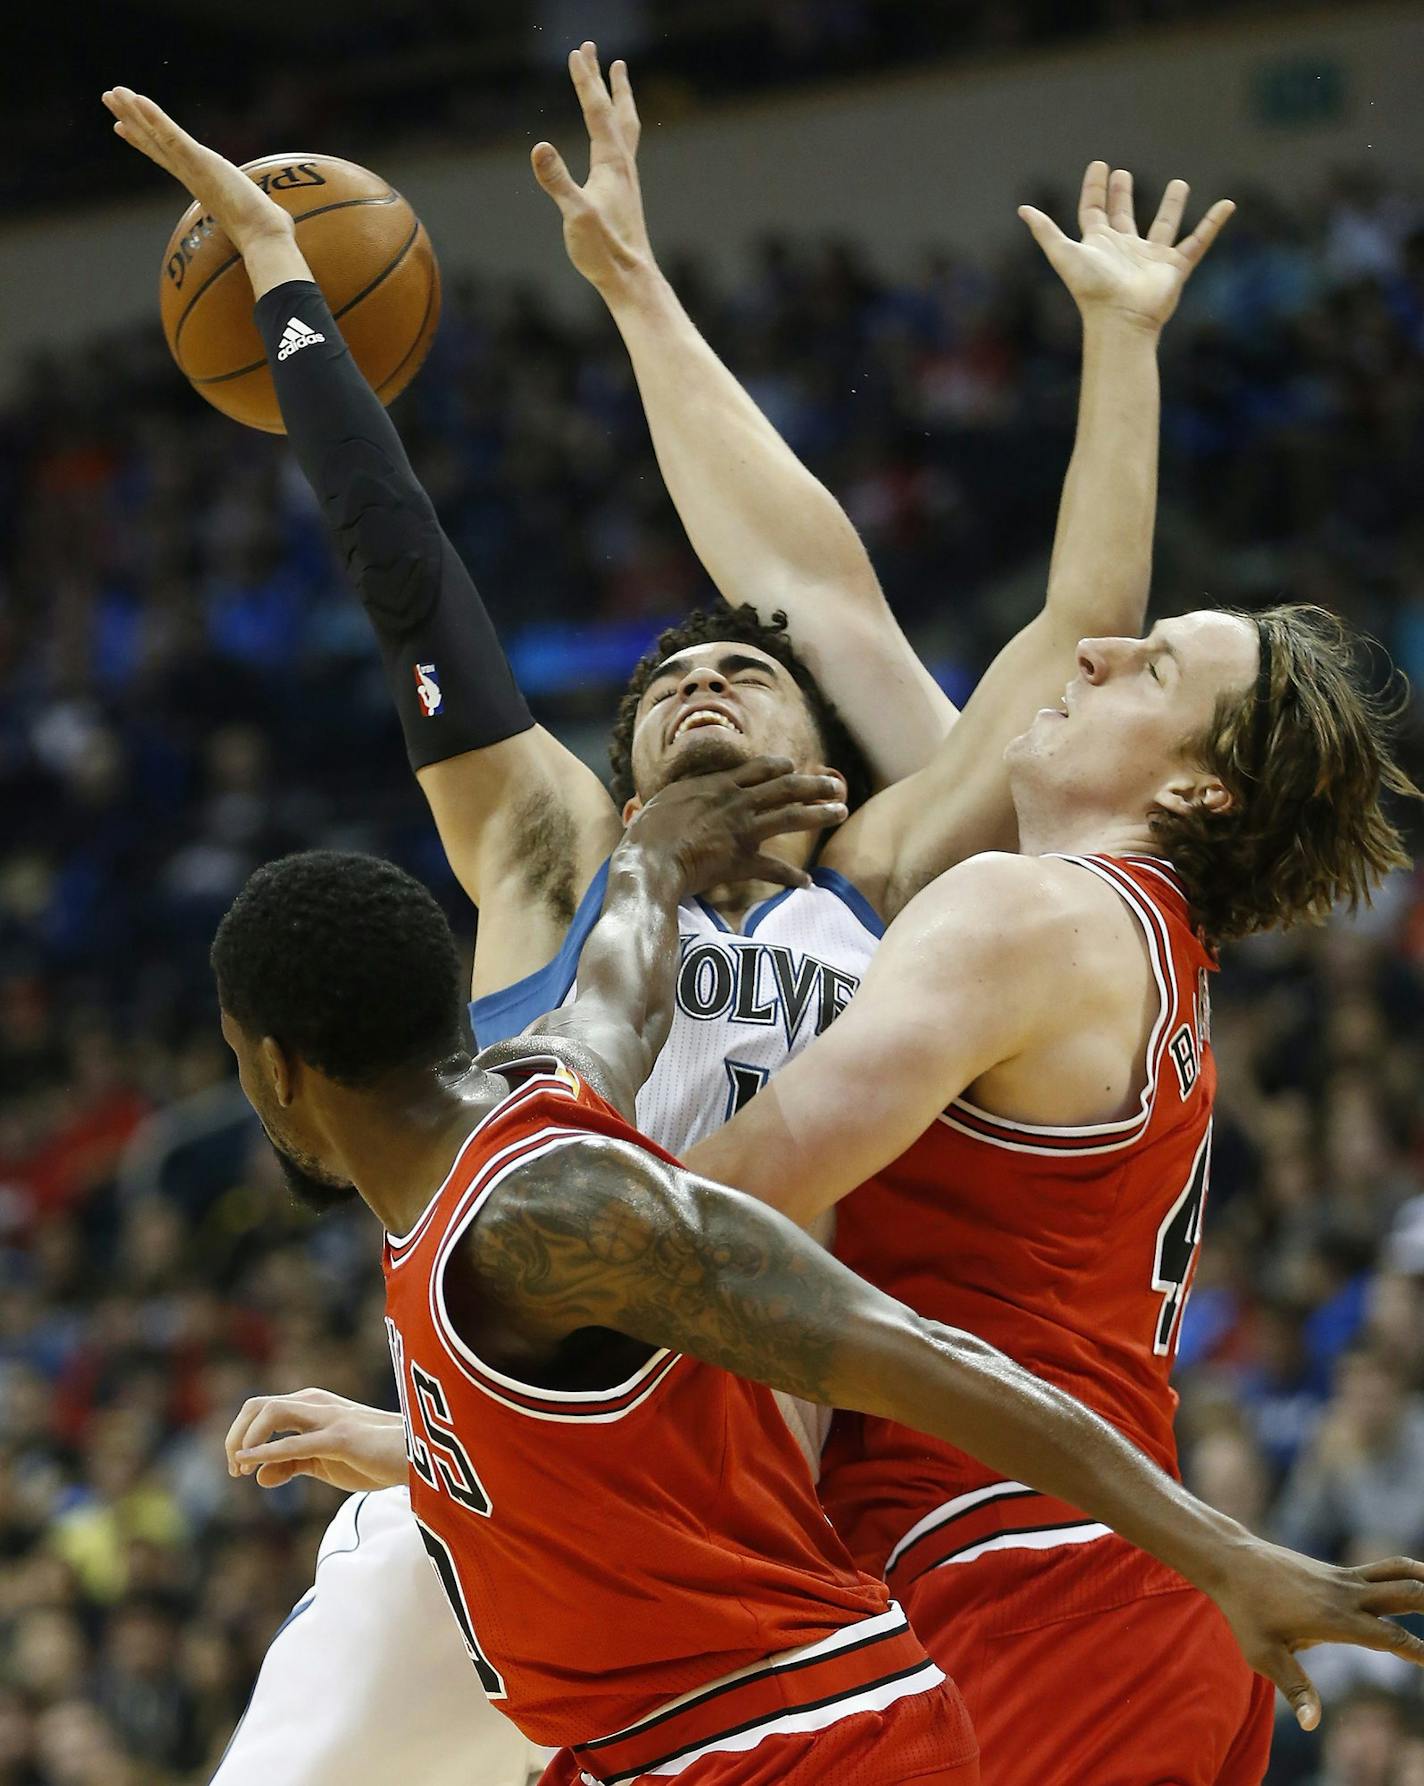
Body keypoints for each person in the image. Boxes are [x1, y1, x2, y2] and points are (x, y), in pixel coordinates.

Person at [105, 56, 1228, 1786]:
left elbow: (1077, 620)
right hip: (505, 1494)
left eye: (747, 673)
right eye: (669, 678)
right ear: (616, 755)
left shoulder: (895, 886)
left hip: (759, 1547)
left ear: (816, 751)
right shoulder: (551, 851)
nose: (706, 680)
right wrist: (279, 280)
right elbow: (406, 574)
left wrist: (1119, 343)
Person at [206, 795, 1424, 1786]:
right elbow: (617, 993)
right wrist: (647, 854)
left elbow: (908, 1351)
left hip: (797, 1741)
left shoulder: (548, 1209)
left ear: (273, 1064)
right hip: (663, 1747)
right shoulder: (528, 1099)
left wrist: (1222, 1556)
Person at [679, 599, 1423, 1782]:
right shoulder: (1145, 955)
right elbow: (833, 601)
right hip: (1115, 1585)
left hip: (1021, 1579)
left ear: (1197, 792)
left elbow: (701, 1213)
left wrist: (464, 1377)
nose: (1097, 650)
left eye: (1153, 666)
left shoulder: (1030, 911)